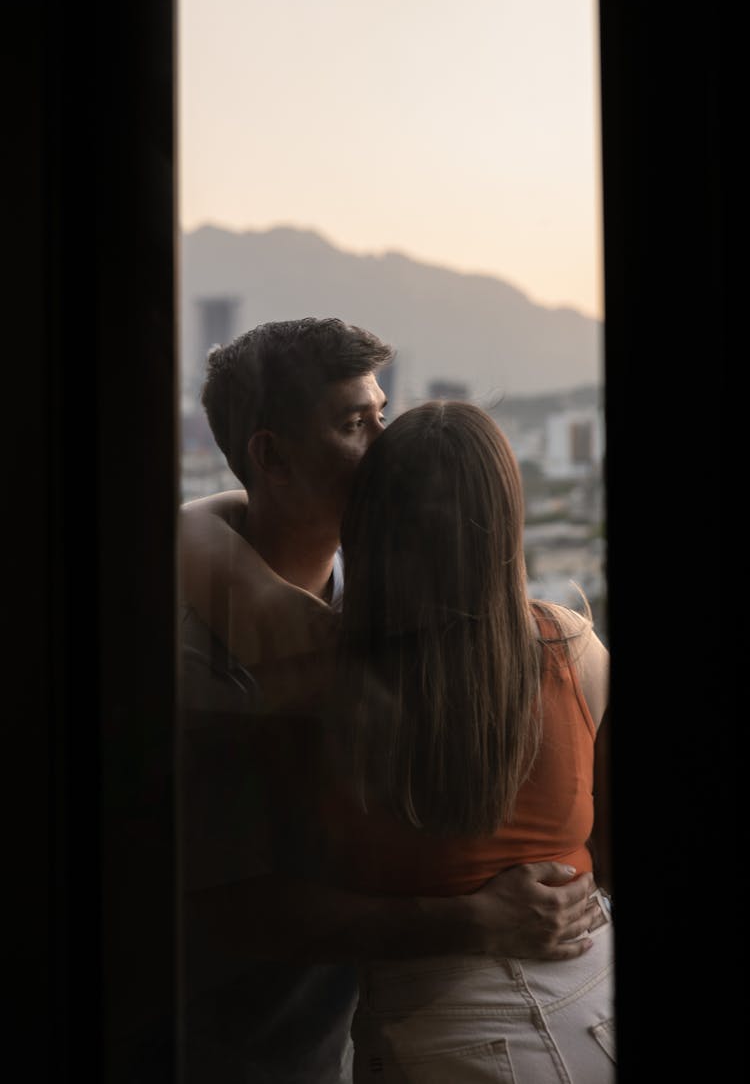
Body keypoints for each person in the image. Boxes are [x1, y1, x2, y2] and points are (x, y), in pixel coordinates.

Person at [178, 317, 607, 1084]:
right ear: (271, 456)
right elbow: (222, 904)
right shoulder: (202, 665)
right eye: (356, 424)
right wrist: (471, 918)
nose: (389, 442)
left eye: (385, 413)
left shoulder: (351, 631)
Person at [315, 400, 614, 1082]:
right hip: (593, 1003)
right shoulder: (573, 651)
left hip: (443, 1038)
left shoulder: (318, 678)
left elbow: (260, 911)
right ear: (505, 523)